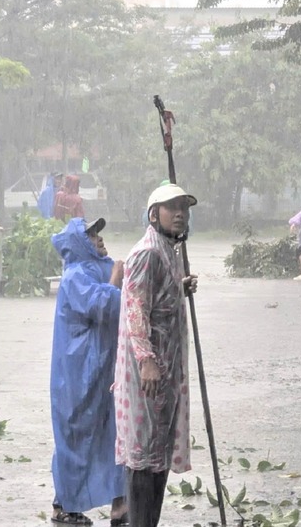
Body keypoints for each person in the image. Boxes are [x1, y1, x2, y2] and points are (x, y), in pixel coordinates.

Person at [113, 183, 198, 527]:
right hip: (147, 373)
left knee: (157, 452)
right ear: (153, 215)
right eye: (172, 207)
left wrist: (180, 287)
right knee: (143, 457)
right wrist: (146, 358)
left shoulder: (169, 250)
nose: (180, 213)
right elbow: (136, 309)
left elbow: (158, 295)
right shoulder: (147, 252)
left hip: (165, 371)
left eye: (184, 207)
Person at [50, 216, 128, 526]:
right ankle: (64, 504)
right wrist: (117, 279)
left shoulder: (97, 267)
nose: (99, 239)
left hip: (102, 369)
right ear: (79, 244)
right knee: (76, 436)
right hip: (78, 374)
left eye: (98, 233)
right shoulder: (75, 276)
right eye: (91, 235)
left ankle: (121, 504)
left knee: (113, 433)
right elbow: (106, 307)